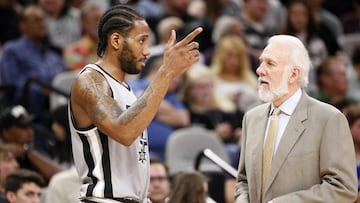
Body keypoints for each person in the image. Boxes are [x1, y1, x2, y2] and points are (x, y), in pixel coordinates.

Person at [69, 4, 202, 203]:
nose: (147, 51)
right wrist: (166, 73)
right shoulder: (90, 81)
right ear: (116, 40)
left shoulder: (128, 90)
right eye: (141, 41)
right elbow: (124, 131)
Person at [234, 35, 358, 203]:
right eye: (262, 61)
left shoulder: (329, 119)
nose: (260, 70)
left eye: (270, 64)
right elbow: (244, 180)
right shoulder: (251, 118)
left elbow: (342, 188)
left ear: (293, 74)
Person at [0, 105, 62, 184]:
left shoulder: (32, 151)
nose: (30, 132)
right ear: (6, 132)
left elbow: (61, 177)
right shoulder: (3, 156)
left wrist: (27, 151)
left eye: (30, 125)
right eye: (23, 127)